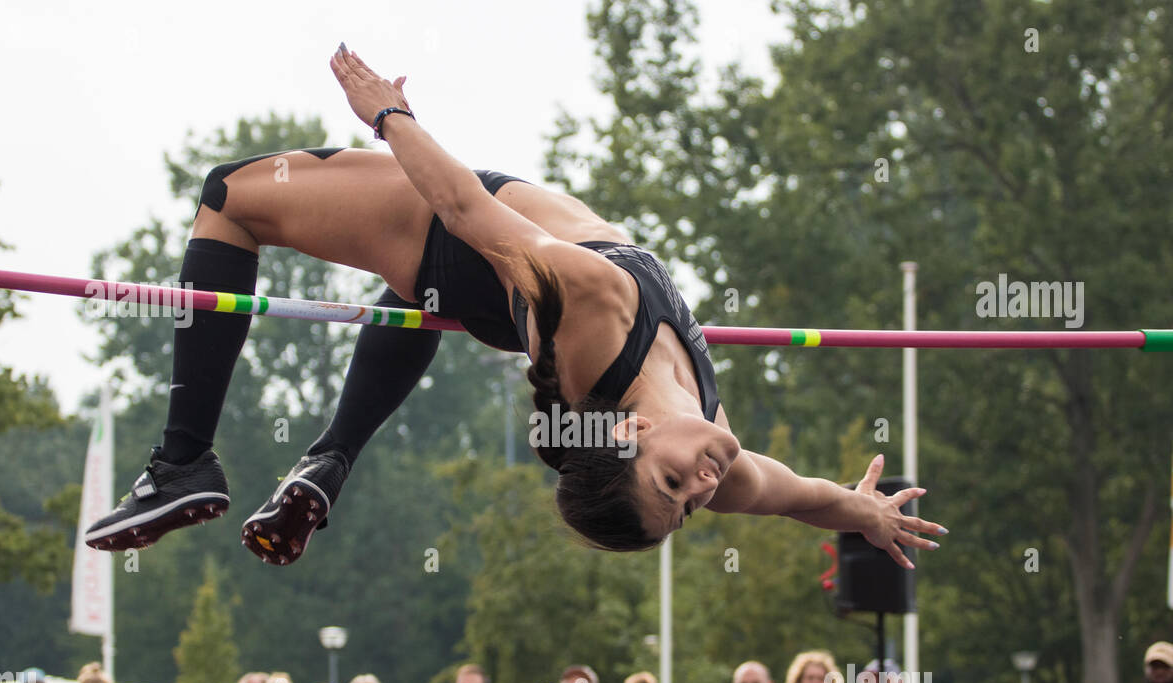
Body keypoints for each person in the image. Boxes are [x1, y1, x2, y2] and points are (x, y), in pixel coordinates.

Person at [82, 46, 944, 567]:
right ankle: (330, 457)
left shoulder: (600, 302)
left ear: (632, 439)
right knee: (408, 301)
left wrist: (391, 114)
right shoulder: (712, 453)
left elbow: (465, 211)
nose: (705, 484)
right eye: (687, 503)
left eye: (675, 484)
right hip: (501, 303)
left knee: (229, 197)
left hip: (463, 241)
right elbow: (798, 497)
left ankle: (183, 459)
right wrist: (863, 510)